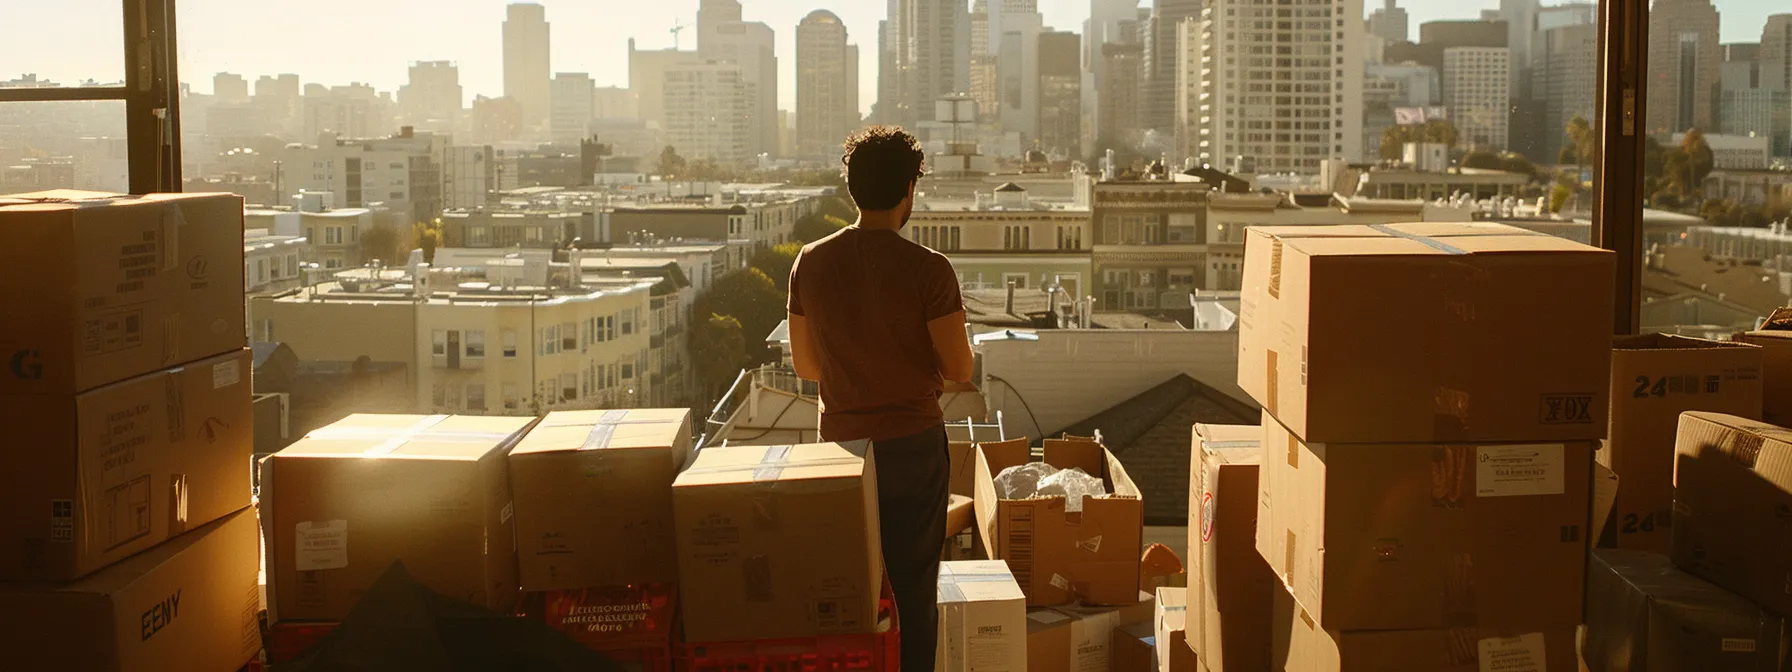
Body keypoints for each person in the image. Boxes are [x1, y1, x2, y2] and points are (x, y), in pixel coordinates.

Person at [785, 126, 974, 672]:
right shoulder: (929, 270)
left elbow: (806, 366)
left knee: (844, 585)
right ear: (910, 188)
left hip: (840, 451)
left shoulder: (811, 262)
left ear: (852, 187)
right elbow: (959, 368)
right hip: (912, 448)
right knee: (912, 588)